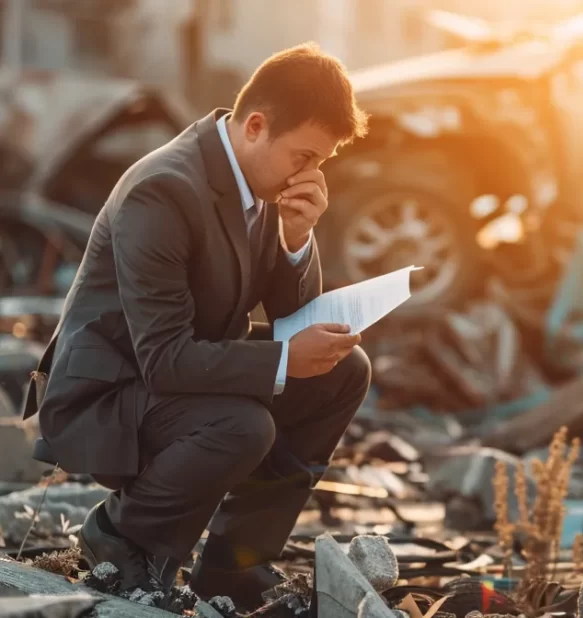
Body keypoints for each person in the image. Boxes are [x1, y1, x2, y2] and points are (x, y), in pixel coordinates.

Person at [21, 43, 371, 610]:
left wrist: (298, 239)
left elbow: (290, 319)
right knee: (243, 425)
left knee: (342, 370)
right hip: (111, 392)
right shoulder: (164, 189)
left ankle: (236, 564)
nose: (310, 174)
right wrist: (283, 360)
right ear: (255, 126)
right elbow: (162, 357)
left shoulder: (257, 184)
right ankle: (124, 537)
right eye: (303, 156)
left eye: (321, 162)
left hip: (178, 372)